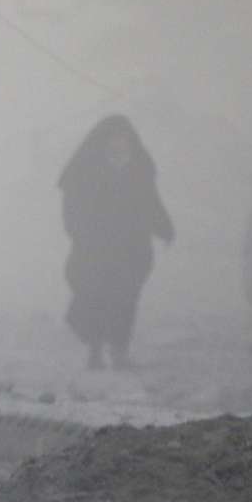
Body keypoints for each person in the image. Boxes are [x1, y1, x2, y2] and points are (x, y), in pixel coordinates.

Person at [58, 114, 174, 370]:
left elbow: (151, 202)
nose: (119, 144)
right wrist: (82, 235)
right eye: (114, 138)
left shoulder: (139, 168)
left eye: (124, 139)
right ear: (103, 141)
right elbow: (72, 210)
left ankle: (119, 351)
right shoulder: (84, 170)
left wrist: (164, 228)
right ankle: (95, 351)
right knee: (95, 299)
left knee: (125, 302)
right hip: (94, 252)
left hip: (132, 251)